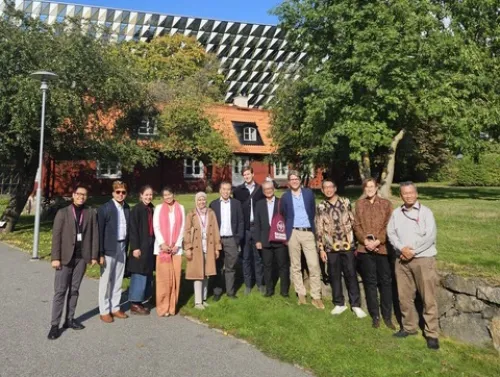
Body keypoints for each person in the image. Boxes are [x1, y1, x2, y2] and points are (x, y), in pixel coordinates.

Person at [387, 181, 439, 350]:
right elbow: (391, 233)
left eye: (411, 192)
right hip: (402, 259)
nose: (408, 196)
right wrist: (401, 248)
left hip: (423, 259)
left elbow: (430, 236)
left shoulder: (426, 212)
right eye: (404, 193)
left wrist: (413, 251)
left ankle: (432, 334)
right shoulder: (396, 213)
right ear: (401, 195)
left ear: (416, 193)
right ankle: (409, 328)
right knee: (404, 297)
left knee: (428, 298)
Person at [48, 185, 98, 340]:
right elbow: (56, 237)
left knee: (74, 290)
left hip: (81, 258)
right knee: (60, 291)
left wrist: (94, 256)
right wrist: (55, 258)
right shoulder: (63, 213)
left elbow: (94, 235)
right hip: (64, 258)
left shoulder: (90, 213)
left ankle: (69, 319)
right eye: (79, 194)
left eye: (84, 195)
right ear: (73, 195)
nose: (81, 197)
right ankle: (55, 325)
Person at [315, 179, 367, 318]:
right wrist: (321, 249)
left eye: (330, 187)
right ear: (322, 190)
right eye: (325, 187)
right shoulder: (321, 206)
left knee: (351, 274)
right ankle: (339, 303)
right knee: (334, 275)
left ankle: (355, 305)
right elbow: (319, 229)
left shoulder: (345, 202)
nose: (328, 190)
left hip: (348, 245)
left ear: (335, 188)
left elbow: (353, 222)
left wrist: (358, 241)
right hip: (331, 248)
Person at [353, 178, 395, 328]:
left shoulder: (386, 204)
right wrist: (365, 242)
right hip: (365, 249)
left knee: (385, 282)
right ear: (364, 189)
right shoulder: (359, 205)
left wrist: (378, 241)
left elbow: (389, 225)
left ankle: (387, 315)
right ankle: (375, 315)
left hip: (382, 249)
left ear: (377, 188)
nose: (369, 189)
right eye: (367, 187)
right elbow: (356, 225)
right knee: (370, 283)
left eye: (372, 186)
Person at [281, 170, 324, 309]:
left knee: (314, 264)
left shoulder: (308, 193)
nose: (294, 181)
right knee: (296, 265)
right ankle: (301, 294)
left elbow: (312, 211)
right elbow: (284, 213)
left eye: (296, 178)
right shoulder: (285, 197)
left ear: (300, 180)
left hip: (307, 232)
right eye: (291, 179)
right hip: (293, 232)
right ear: (289, 182)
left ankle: (316, 296)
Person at [97, 180, 130, 323]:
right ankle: (104, 310)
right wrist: (100, 253)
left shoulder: (127, 207)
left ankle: (115, 307)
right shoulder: (105, 208)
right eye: (118, 192)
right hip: (108, 248)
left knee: (118, 279)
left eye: (123, 192)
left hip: (122, 246)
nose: (121, 194)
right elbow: (99, 232)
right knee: (105, 280)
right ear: (113, 193)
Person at [184, 192, 221, 309]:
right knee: (198, 275)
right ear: (196, 201)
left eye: (203, 200)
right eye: (199, 200)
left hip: (208, 247)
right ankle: (197, 302)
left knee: (206, 274)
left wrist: (217, 248)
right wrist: (188, 247)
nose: (201, 202)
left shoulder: (211, 213)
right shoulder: (191, 214)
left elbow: (215, 230)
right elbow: (186, 231)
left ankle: (204, 299)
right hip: (196, 248)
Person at [233, 166, 265, 295]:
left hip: (257, 228)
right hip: (245, 228)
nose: (246, 176)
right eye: (244, 175)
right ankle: (247, 285)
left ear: (252, 174)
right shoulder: (238, 191)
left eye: (248, 174)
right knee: (246, 257)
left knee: (258, 258)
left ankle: (260, 283)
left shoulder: (260, 190)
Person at [153, 186, 185, 317]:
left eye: (169, 194)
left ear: (173, 194)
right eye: (165, 195)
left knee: (175, 278)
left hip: (176, 249)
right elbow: (156, 226)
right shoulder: (159, 209)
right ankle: (162, 307)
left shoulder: (181, 208)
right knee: (163, 279)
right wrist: (162, 243)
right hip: (163, 250)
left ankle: (172, 307)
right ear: (162, 197)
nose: (168, 197)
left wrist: (177, 244)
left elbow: (183, 226)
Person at [254, 180, 290, 297]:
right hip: (265, 240)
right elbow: (257, 224)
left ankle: (284, 291)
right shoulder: (259, 204)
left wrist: (288, 238)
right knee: (267, 266)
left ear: (273, 189)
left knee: (283, 266)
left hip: (279, 239)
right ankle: (269, 290)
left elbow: (287, 221)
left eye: (270, 189)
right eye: (266, 189)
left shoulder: (281, 202)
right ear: (263, 191)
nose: (268, 191)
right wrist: (258, 240)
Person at [209, 181, 244, 300]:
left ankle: (230, 292)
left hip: (231, 240)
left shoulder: (236, 204)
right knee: (217, 266)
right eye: (224, 189)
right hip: (217, 240)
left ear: (231, 191)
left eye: (228, 189)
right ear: (220, 190)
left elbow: (240, 222)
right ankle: (217, 292)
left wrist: (237, 239)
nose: (226, 191)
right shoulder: (213, 204)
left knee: (231, 267)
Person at [127, 185, 155, 315]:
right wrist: (135, 247)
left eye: (150, 195)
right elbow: (132, 230)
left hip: (149, 245)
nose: (148, 197)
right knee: (139, 274)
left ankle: (144, 298)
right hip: (140, 246)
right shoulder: (136, 210)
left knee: (147, 273)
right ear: (141, 195)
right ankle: (135, 303)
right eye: (146, 195)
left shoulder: (151, 208)